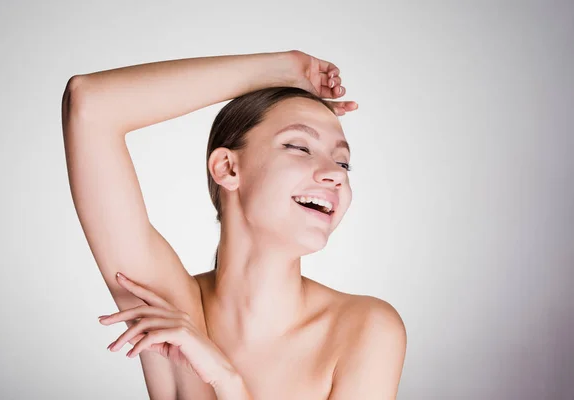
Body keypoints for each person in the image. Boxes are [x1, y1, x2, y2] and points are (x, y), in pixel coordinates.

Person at [61, 50, 407, 399]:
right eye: (300, 147)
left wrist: (227, 380)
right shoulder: (171, 308)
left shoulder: (364, 329)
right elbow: (90, 104)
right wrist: (283, 69)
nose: (334, 174)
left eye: (343, 163)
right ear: (227, 168)